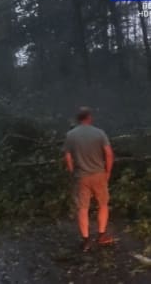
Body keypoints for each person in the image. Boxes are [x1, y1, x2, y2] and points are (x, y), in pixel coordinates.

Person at [63, 107, 114, 252]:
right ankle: (102, 235)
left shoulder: (70, 135)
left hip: (81, 176)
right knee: (103, 204)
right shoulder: (99, 133)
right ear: (89, 118)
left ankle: (85, 241)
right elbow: (109, 154)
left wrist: (73, 172)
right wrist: (108, 172)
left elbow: (67, 157)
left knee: (82, 208)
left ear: (78, 119)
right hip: (99, 174)